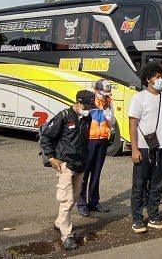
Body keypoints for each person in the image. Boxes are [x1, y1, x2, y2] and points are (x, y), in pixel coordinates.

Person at [39, 90, 95, 250]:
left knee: (75, 197)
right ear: (78, 103)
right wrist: (51, 158)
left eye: (91, 106)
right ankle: (67, 236)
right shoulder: (63, 116)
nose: (89, 109)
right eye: (86, 105)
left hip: (80, 164)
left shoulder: (87, 118)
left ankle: (59, 222)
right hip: (64, 164)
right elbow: (46, 137)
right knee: (67, 199)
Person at [128, 62, 162, 233]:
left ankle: (154, 217)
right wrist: (134, 149)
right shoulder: (138, 98)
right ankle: (137, 219)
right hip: (143, 148)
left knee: (157, 185)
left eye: (161, 77)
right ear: (148, 79)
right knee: (139, 185)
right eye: (157, 77)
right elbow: (133, 124)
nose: (160, 80)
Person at [77, 79, 115, 217]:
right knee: (84, 173)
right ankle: (81, 204)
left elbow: (112, 121)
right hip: (89, 141)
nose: (105, 95)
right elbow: (82, 116)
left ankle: (94, 202)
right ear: (97, 90)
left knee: (96, 173)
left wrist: (106, 111)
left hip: (102, 140)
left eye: (107, 93)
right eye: (103, 93)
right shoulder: (89, 100)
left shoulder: (109, 102)